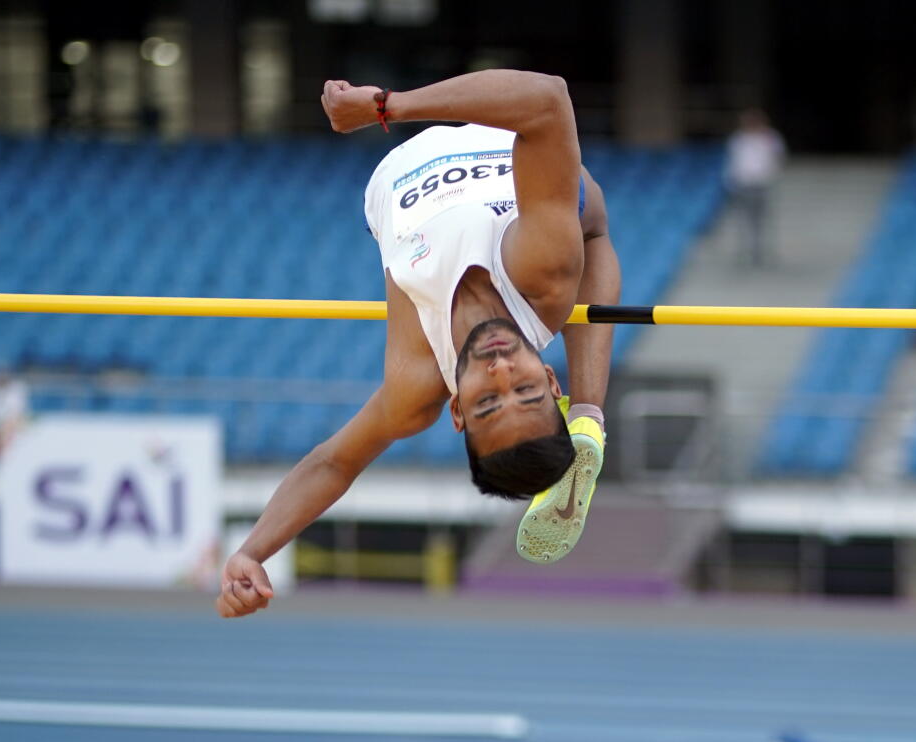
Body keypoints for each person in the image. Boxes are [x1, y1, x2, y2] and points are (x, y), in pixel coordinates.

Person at [217, 70, 621, 618]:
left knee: (574, 231)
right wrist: (386, 107)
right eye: (526, 390)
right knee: (588, 223)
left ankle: (587, 419)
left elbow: (334, 463)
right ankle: (590, 411)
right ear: (552, 379)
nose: (501, 373)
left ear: (457, 409)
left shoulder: (417, 381)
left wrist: (251, 550)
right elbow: (548, 98)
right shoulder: (543, 270)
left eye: (487, 402)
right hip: (497, 144)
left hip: (400, 176)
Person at [725, 108, 786, 268]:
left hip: (761, 183)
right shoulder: (738, 139)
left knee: (760, 220)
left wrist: (771, 174)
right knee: (742, 220)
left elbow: (778, 156)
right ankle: (744, 252)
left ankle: (758, 253)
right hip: (742, 183)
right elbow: (734, 161)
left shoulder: (770, 137)